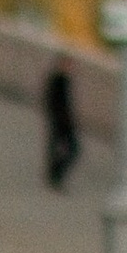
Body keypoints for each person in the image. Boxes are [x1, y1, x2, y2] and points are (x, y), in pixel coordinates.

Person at [43, 56, 80, 190]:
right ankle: (55, 174)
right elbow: (56, 102)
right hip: (62, 122)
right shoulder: (59, 81)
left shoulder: (62, 80)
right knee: (72, 149)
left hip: (61, 121)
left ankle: (54, 174)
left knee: (59, 148)